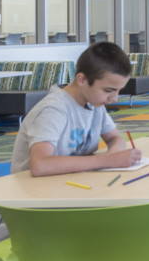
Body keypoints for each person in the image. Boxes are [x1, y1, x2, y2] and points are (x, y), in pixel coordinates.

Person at [10, 42, 142, 177]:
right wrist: (106, 160)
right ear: (82, 79)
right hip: (34, 190)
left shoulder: (94, 103)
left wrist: (114, 153)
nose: (114, 98)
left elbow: (115, 138)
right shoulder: (53, 110)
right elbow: (40, 165)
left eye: (119, 91)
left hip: (68, 181)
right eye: (109, 90)